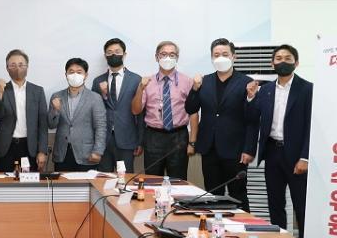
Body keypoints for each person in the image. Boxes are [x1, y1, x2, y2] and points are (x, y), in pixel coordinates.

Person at [246, 44, 312, 238]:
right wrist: (251, 97)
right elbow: (252, 119)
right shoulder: (265, 90)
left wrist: (305, 157)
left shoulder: (307, 89)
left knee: (301, 205)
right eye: (279, 58)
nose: (283, 62)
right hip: (272, 152)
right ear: (272, 63)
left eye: (288, 58)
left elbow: (310, 126)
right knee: (275, 204)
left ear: (296, 63)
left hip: (296, 155)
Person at [185, 38, 258, 212]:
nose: (221, 58)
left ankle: (242, 227)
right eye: (216, 55)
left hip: (236, 150)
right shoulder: (204, 81)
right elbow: (190, 108)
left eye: (225, 54)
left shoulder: (246, 82)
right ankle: (215, 226)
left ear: (234, 57)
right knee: (212, 195)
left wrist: (249, 149)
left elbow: (253, 119)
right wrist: (194, 89)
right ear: (211, 58)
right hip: (209, 148)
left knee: (238, 195)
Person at [131, 41, 199, 178]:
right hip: (153, 137)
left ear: (177, 57)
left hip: (179, 137)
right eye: (163, 54)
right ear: (157, 57)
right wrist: (140, 89)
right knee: (153, 180)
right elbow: (135, 111)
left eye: (172, 54)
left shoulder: (187, 81)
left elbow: (193, 113)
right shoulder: (147, 82)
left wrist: (192, 142)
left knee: (178, 180)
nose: (168, 58)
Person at [91, 38, 144, 173]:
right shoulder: (98, 81)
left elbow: (141, 114)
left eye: (117, 51)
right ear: (105, 56)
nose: (113, 54)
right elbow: (94, 111)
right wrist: (103, 95)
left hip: (127, 138)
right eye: (109, 52)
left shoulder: (136, 79)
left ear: (124, 54)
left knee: (125, 178)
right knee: (103, 178)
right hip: (103, 140)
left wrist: (140, 141)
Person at [0, 49, 48, 172]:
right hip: (6, 146)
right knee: (5, 181)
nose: (17, 68)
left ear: (27, 67)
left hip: (30, 146)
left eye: (21, 64)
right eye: (13, 65)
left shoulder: (37, 91)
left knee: (29, 181)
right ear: (7, 68)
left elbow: (43, 124)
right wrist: (0, 94)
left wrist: (42, 151)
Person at [48, 58, 107, 172]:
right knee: (62, 183)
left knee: (85, 183)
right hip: (62, 154)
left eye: (79, 72)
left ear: (86, 75)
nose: (75, 75)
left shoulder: (95, 98)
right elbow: (51, 125)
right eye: (71, 72)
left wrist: (98, 151)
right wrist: (55, 110)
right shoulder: (57, 96)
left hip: (87, 155)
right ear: (66, 75)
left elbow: (100, 126)